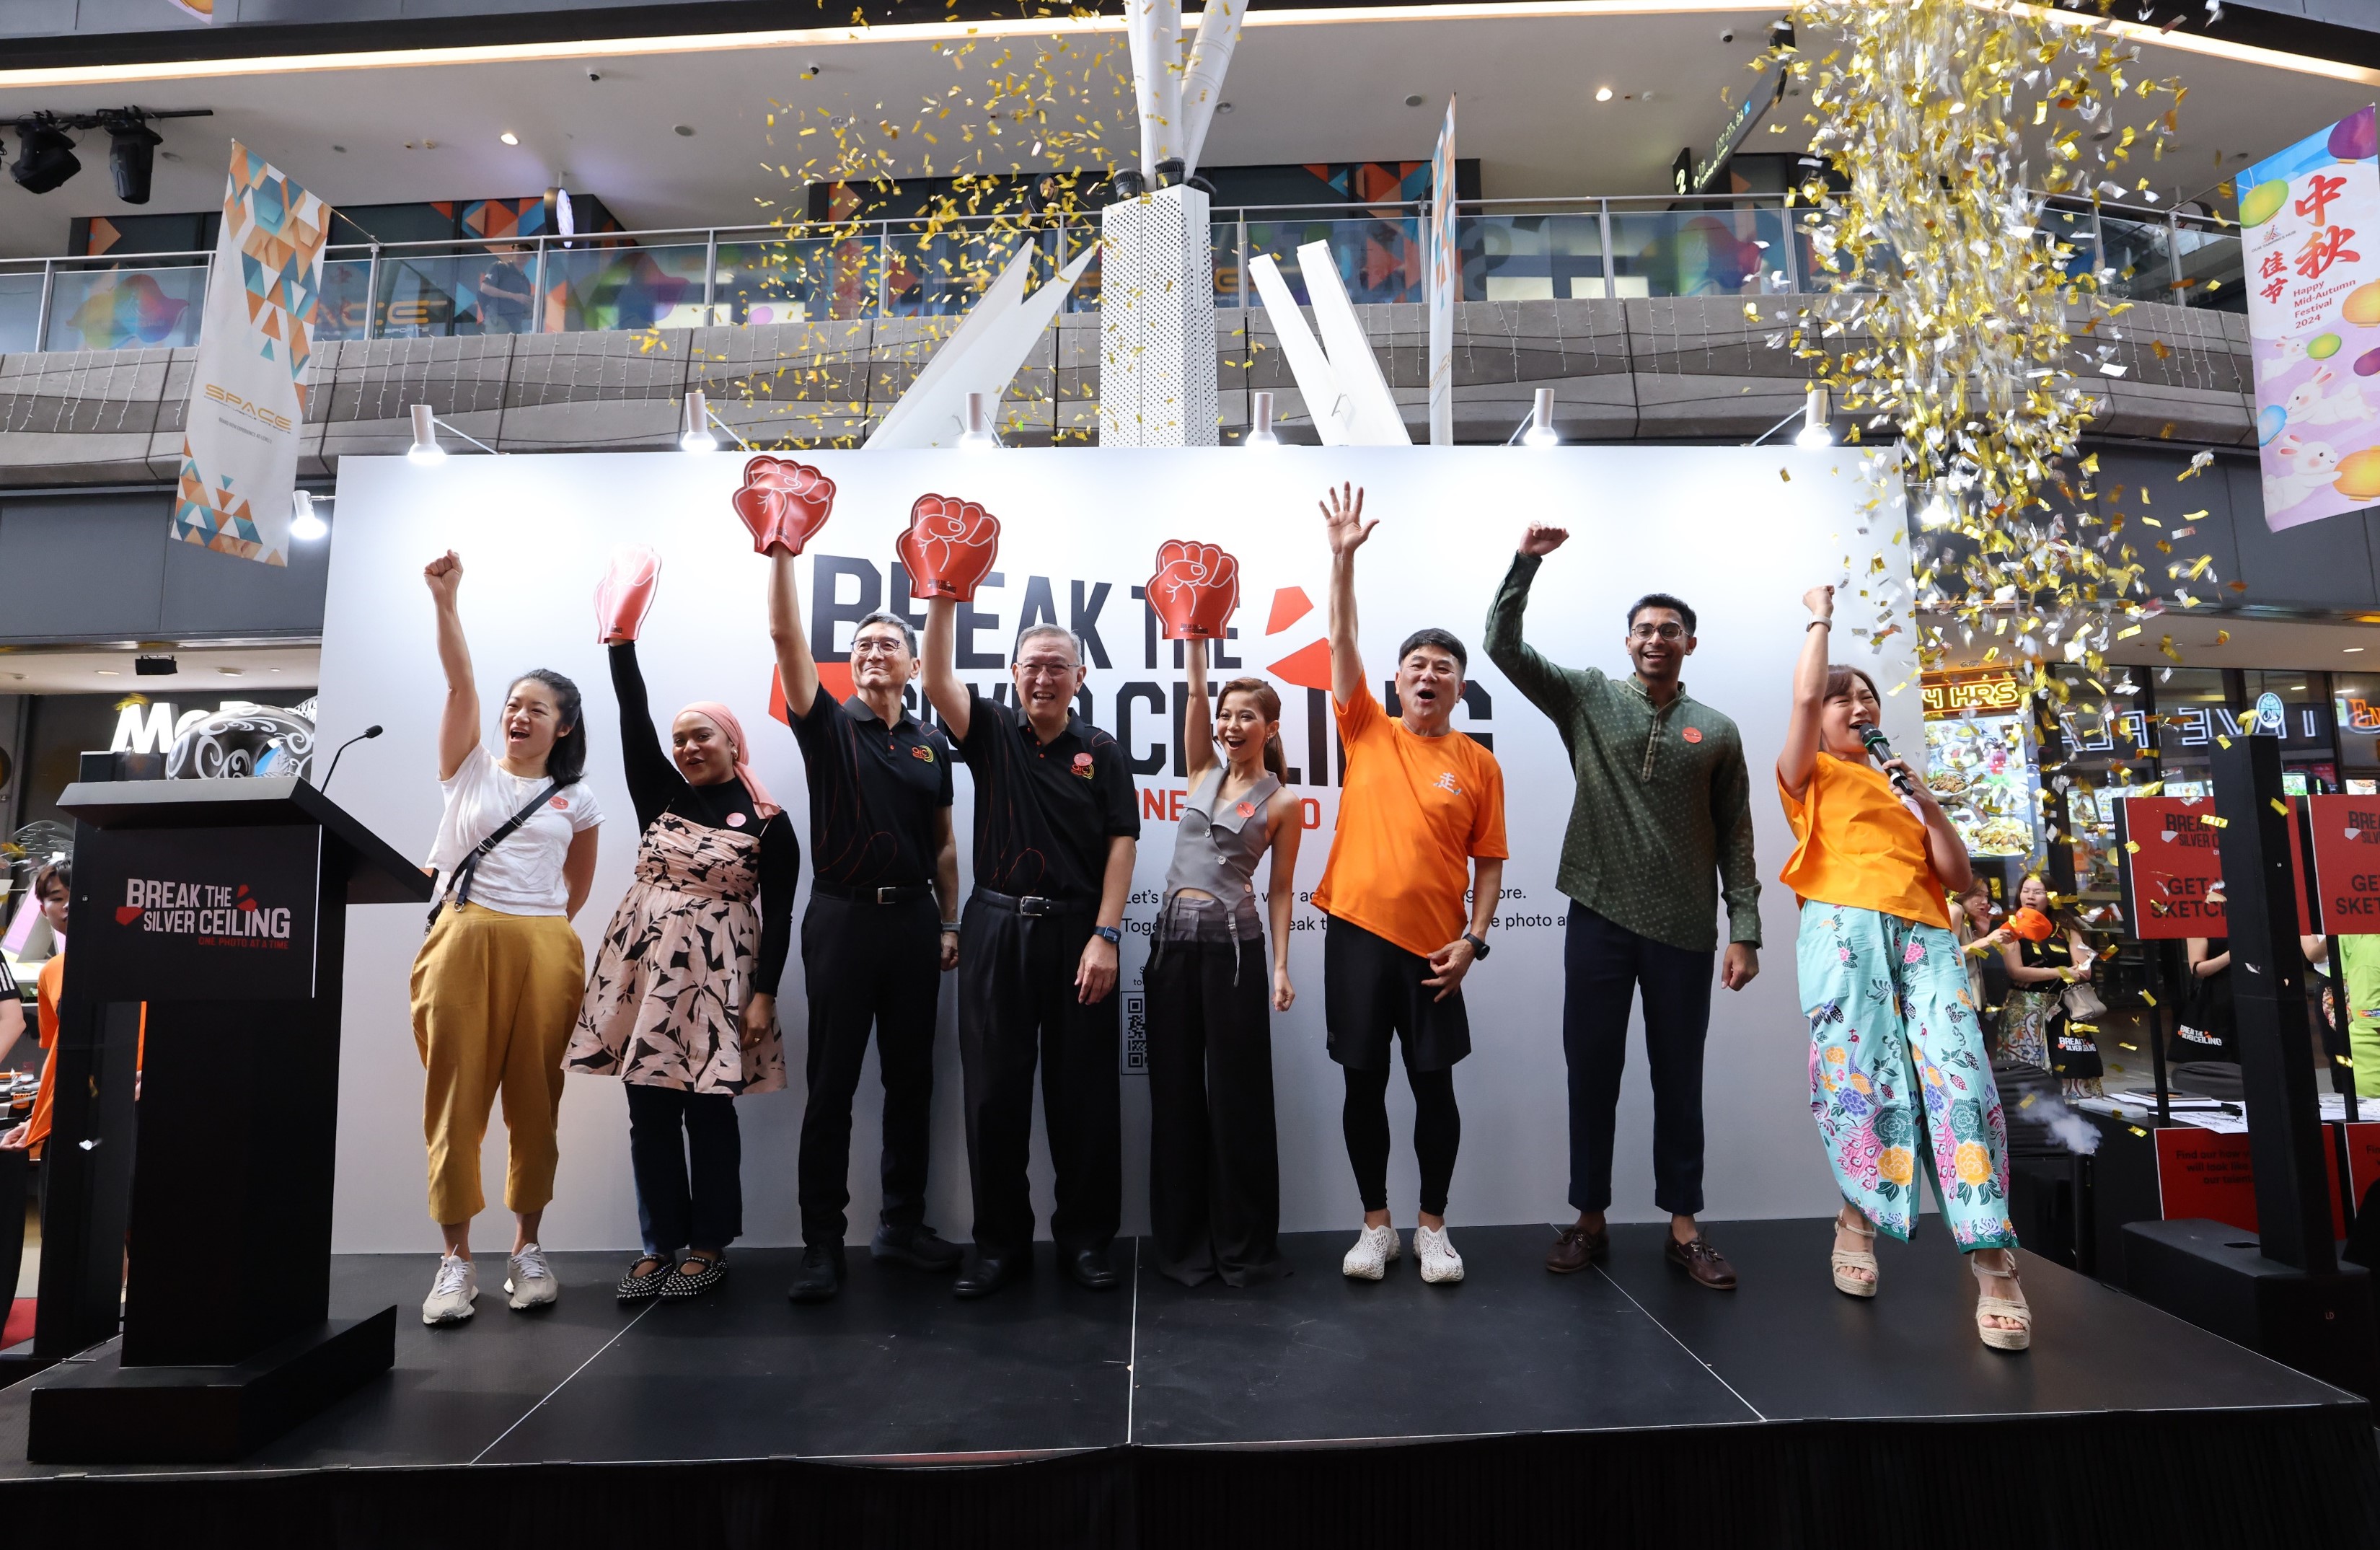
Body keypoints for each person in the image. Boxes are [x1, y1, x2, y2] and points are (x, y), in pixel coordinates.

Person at [1485, 524, 1760, 1291]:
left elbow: (1737, 835)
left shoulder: (1719, 730)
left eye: (1670, 630)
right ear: (1628, 639)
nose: (1655, 639)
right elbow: (1503, 646)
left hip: (1682, 929)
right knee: (1592, 1074)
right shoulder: (1587, 697)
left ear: (1690, 644)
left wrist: (1745, 927)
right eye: (1644, 629)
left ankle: (1684, 1228)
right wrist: (1525, 564)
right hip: (1598, 916)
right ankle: (1589, 1220)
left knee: (1680, 1079)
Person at [1780, 583, 2027, 1352]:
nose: (1857, 708)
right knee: (1863, 1079)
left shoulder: (1899, 783)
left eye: (1867, 700)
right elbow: (1799, 701)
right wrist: (1819, 619)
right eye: (1840, 699)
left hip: (1925, 935)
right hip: (1844, 935)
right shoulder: (1810, 775)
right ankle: (1856, 1218)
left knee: (1960, 1078)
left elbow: (1958, 878)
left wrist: (1928, 801)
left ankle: (1994, 1261)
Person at [566, 618, 793, 1304]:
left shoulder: (769, 822)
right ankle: (657, 1244)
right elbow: (631, 711)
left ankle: (709, 1245)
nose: (689, 747)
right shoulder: (659, 795)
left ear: (733, 743)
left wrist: (764, 995)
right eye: (681, 739)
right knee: (650, 1111)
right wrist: (620, 642)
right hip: (645, 973)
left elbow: (780, 913)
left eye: (703, 736)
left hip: (722, 979)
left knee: (710, 1113)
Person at [1313, 485, 1507, 1286]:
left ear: (1460, 688)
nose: (1430, 676)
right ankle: (1376, 1227)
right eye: (1418, 665)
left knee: (1435, 1089)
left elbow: (1491, 862)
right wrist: (1342, 559)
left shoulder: (1478, 764)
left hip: (1436, 950)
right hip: (1357, 934)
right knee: (1364, 1084)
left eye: (1445, 668)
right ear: (1395, 681)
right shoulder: (1365, 727)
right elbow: (1341, 637)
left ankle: (1433, 1227)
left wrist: (1474, 940)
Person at [921, 608, 1140, 1299]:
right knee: (993, 1097)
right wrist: (943, 595)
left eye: (1057, 666)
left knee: (1084, 1099)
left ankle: (1085, 1240)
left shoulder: (1100, 750)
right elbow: (933, 676)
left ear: (1079, 676)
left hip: (1080, 935)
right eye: (1032, 666)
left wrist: (1106, 936)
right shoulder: (988, 732)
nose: (1044, 677)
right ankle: (998, 1244)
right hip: (996, 928)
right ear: (1014, 676)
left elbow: (1121, 844)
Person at [412, 551, 604, 1326]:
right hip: (463, 938)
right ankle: (455, 1260)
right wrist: (447, 601)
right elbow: (460, 681)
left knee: (537, 1098)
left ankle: (527, 1249)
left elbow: (577, 887)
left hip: (545, 948)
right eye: (514, 705)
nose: (518, 716)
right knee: (455, 1098)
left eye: (537, 709)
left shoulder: (578, 797)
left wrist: (542, 934)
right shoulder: (468, 770)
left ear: (564, 726)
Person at [770, 552, 966, 1304]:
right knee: (833, 1087)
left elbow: (945, 841)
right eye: (861, 646)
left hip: (915, 919)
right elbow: (787, 637)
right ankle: (821, 1245)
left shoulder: (930, 742)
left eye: (889, 644)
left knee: (912, 1081)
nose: (873, 652)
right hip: (842, 919)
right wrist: (783, 554)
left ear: (916, 663)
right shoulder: (826, 724)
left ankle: (901, 1227)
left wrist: (949, 919)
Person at [1145, 636, 1303, 1287]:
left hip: (1235, 956)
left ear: (1269, 727)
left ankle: (1243, 1250)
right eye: (1227, 714)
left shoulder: (1282, 801)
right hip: (1169, 950)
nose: (1232, 725)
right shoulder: (1201, 770)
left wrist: (1281, 966)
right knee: (1175, 1094)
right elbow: (1193, 695)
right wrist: (1195, 643)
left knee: (1237, 1100)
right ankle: (1183, 1249)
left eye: (1246, 716)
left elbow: (1281, 889)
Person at [1996, 875, 2102, 1096]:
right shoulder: (2010, 927)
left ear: (2051, 897)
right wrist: (2061, 972)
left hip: (2064, 1008)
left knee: (2069, 1065)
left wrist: (2041, 974)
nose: (2030, 896)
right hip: (2024, 1011)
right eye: (2026, 890)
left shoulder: (2066, 927)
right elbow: (2016, 971)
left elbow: (2084, 969)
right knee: (2026, 1072)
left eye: (2038, 892)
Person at [0, 863, 73, 1155]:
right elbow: (56, 1056)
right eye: (56, 898)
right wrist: (37, 1118)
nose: (68, 905)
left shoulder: (148, 963)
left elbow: (12, 1020)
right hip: (62, 1122)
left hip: (125, 1113)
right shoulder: (52, 972)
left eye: (77, 893)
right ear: (43, 909)